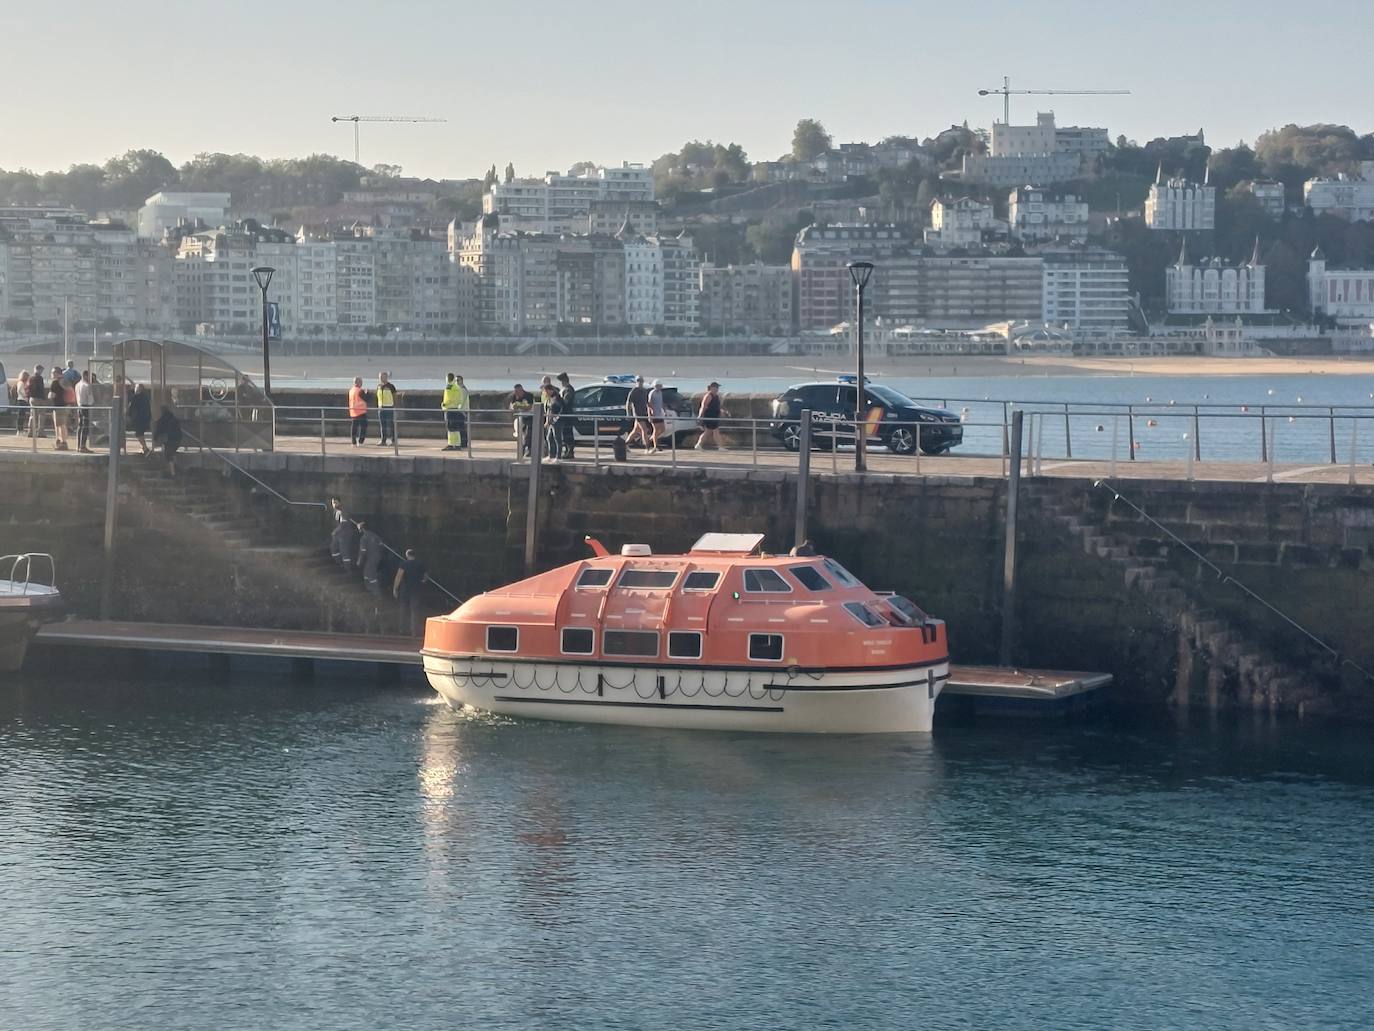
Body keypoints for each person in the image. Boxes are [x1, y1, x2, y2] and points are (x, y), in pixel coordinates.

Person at [393, 548, 429, 637]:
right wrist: (422, 581)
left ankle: (402, 629)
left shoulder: (404, 564)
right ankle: (414, 631)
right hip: (416, 590)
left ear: (407, 555)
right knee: (414, 611)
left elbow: (399, 576)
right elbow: (425, 576)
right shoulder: (420, 564)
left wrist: (395, 588)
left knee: (403, 609)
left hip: (405, 590)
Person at [696, 381, 728, 451]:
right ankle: (720, 447)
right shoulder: (708, 396)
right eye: (715, 387)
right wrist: (700, 416)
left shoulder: (716, 396)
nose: (717, 389)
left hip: (714, 416)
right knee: (714, 431)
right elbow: (703, 406)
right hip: (709, 416)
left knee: (708, 432)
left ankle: (699, 445)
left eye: (717, 387)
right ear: (711, 388)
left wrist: (722, 411)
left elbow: (718, 406)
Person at [152, 404, 183, 477]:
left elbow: (158, 430)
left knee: (168, 455)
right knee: (171, 453)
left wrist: (155, 438)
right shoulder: (173, 418)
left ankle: (172, 473)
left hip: (170, 439)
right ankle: (173, 469)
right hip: (177, 438)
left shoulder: (162, 420)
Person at [441, 372, 468, 451]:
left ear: (448, 379)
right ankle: (457, 444)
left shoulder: (449, 387)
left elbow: (449, 398)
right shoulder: (457, 388)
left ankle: (452, 444)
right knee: (456, 428)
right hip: (456, 409)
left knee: (451, 428)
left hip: (450, 409)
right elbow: (459, 399)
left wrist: (444, 404)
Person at [357, 521, 384, 595]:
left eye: (359, 529)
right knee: (366, 572)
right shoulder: (375, 535)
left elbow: (363, 552)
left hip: (371, 558)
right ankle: (369, 589)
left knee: (371, 575)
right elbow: (381, 545)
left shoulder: (363, 538)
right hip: (377, 557)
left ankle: (376, 593)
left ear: (362, 529)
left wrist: (359, 561)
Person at [624, 375, 650, 450]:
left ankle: (625, 444)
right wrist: (628, 413)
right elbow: (628, 403)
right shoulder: (634, 391)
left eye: (641, 381)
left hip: (644, 413)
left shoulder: (644, 391)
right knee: (644, 430)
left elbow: (647, 402)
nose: (640, 382)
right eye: (638, 381)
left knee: (635, 431)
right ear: (636, 382)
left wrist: (649, 412)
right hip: (638, 413)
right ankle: (647, 447)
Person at [127, 382, 152, 455]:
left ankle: (145, 448)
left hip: (138, 419)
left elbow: (131, 408)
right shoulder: (145, 397)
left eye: (135, 388)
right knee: (140, 433)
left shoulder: (136, 397)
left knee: (139, 434)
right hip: (146, 419)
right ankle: (144, 448)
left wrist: (128, 415)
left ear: (138, 389)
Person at [556, 371, 577, 460]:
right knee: (564, 434)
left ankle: (570, 451)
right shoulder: (564, 389)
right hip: (563, 414)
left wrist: (558, 398)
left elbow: (566, 401)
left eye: (562, 381)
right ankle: (567, 450)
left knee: (568, 433)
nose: (561, 383)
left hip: (567, 414)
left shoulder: (569, 389)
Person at [509, 383, 534, 456]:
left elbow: (529, 407)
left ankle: (528, 450)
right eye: (515, 392)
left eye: (518, 391)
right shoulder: (514, 396)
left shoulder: (529, 395)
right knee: (521, 435)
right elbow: (512, 407)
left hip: (529, 417)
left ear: (521, 390)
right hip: (521, 418)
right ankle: (522, 451)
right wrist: (514, 406)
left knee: (528, 435)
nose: (517, 393)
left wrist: (518, 406)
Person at [541, 382, 564, 462]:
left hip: (557, 421)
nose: (545, 393)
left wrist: (555, 419)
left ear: (550, 390)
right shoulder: (550, 398)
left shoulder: (557, 398)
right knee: (549, 437)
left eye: (546, 391)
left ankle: (558, 457)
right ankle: (551, 455)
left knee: (557, 439)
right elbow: (549, 410)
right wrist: (547, 421)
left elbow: (560, 409)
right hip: (551, 421)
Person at [75, 369, 95, 453]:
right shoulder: (87, 386)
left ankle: (78, 445)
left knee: (80, 426)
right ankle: (83, 446)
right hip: (86, 406)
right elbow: (90, 399)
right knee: (85, 427)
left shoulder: (77, 385)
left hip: (79, 406)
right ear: (86, 376)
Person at [375, 372, 397, 447]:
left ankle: (393, 440)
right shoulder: (378, 386)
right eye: (380, 377)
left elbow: (394, 396)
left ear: (386, 377)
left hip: (389, 407)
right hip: (381, 407)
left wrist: (393, 406)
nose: (381, 378)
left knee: (391, 424)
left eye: (383, 377)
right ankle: (383, 440)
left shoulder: (391, 386)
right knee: (382, 425)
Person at [48, 372, 69, 450]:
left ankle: (62, 443)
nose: (51, 375)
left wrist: (49, 396)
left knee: (60, 425)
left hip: (58, 406)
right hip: (65, 406)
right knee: (63, 424)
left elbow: (51, 395)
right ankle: (62, 441)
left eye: (53, 373)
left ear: (56, 373)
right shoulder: (65, 381)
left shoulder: (55, 382)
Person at [647, 378, 667, 454]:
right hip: (654, 414)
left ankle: (651, 439)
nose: (659, 387)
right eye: (657, 385)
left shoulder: (660, 393)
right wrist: (650, 414)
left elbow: (661, 403)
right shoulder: (652, 393)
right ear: (655, 386)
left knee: (663, 429)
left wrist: (664, 410)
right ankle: (656, 446)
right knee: (656, 429)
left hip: (660, 414)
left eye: (660, 386)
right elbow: (649, 404)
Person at [348, 376, 368, 446]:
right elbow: (367, 399)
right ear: (358, 382)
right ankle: (360, 442)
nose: (362, 383)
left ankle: (353, 442)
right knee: (363, 427)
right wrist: (367, 393)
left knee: (354, 427)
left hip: (353, 411)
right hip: (361, 411)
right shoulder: (360, 391)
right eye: (361, 382)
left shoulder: (351, 390)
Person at [14, 370, 29, 436]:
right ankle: (19, 430)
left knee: (22, 415)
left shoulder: (22, 383)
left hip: (22, 400)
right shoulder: (21, 383)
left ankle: (21, 429)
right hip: (21, 400)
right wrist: (25, 395)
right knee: (21, 415)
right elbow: (20, 390)